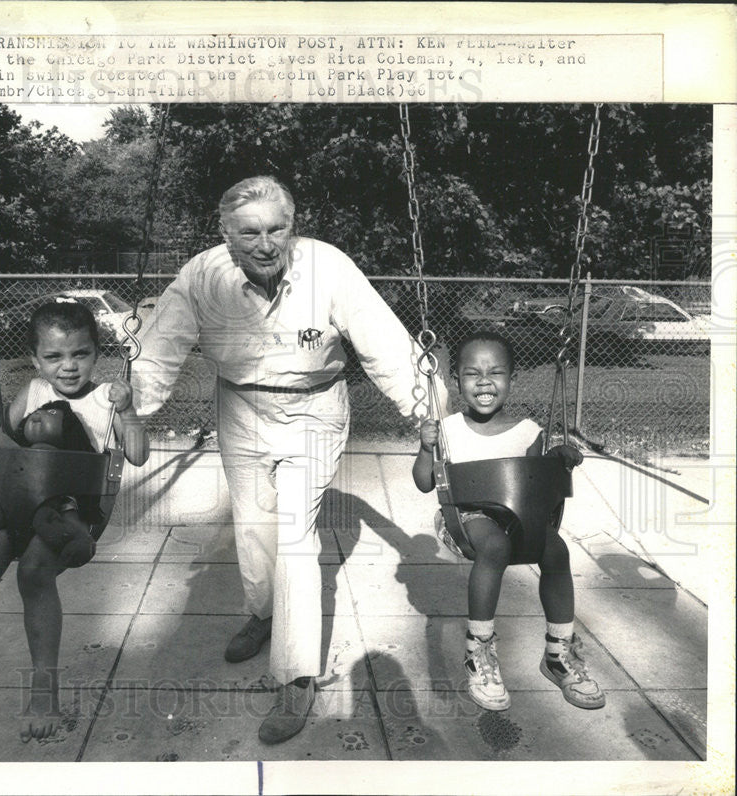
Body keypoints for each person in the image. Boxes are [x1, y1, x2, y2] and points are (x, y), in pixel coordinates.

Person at [132, 176, 446, 745]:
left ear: (292, 229)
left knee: (297, 539)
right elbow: (161, 344)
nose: (264, 243)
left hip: (314, 408)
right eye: (249, 231)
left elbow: (383, 341)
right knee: (253, 527)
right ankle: (262, 613)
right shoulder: (204, 275)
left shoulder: (327, 268)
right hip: (240, 406)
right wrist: (136, 407)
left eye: (276, 228)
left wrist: (426, 410)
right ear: (225, 234)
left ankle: (297, 673)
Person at [0, 301, 149, 741]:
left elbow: (135, 454)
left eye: (80, 354)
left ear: (97, 352)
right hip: (19, 503)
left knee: (34, 571)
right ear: (37, 359)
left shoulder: (105, 399)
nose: (68, 367)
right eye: (55, 357)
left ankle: (45, 689)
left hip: (70, 514)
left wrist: (129, 411)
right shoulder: (36, 391)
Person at [412, 329, 605, 712]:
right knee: (495, 546)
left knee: (556, 551)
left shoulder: (528, 431)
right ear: (456, 381)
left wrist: (559, 457)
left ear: (512, 379)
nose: (484, 381)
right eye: (472, 373)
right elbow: (422, 482)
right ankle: (478, 651)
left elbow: (537, 487)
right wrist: (424, 447)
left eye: (495, 372)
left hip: (519, 517)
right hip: (464, 519)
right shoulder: (446, 430)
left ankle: (558, 652)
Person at [0, 398, 101, 569]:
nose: (39, 413)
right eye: (35, 412)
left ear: (66, 431)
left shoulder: (57, 453)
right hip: (13, 504)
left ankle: (77, 542)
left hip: (50, 505)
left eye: (52, 413)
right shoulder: (21, 446)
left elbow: (19, 457)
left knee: (63, 519)